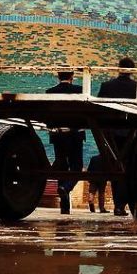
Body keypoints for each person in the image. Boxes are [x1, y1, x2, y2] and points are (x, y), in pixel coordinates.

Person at [97, 57, 137, 215]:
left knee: (115, 167)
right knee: (130, 168)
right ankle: (128, 204)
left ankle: (119, 205)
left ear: (119, 69)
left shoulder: (106, 86)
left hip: (111, 134)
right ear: (132, 71)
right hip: (131, 135)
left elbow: (98, 108)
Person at [46, 70, 84, 214]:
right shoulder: (79, 90)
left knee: (62, 165)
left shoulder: (50, 92)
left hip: (58, 135)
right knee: (77, 166)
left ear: (58, 76)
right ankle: (66, 188)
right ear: (72, 77)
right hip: (75, 135)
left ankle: (64, 206)